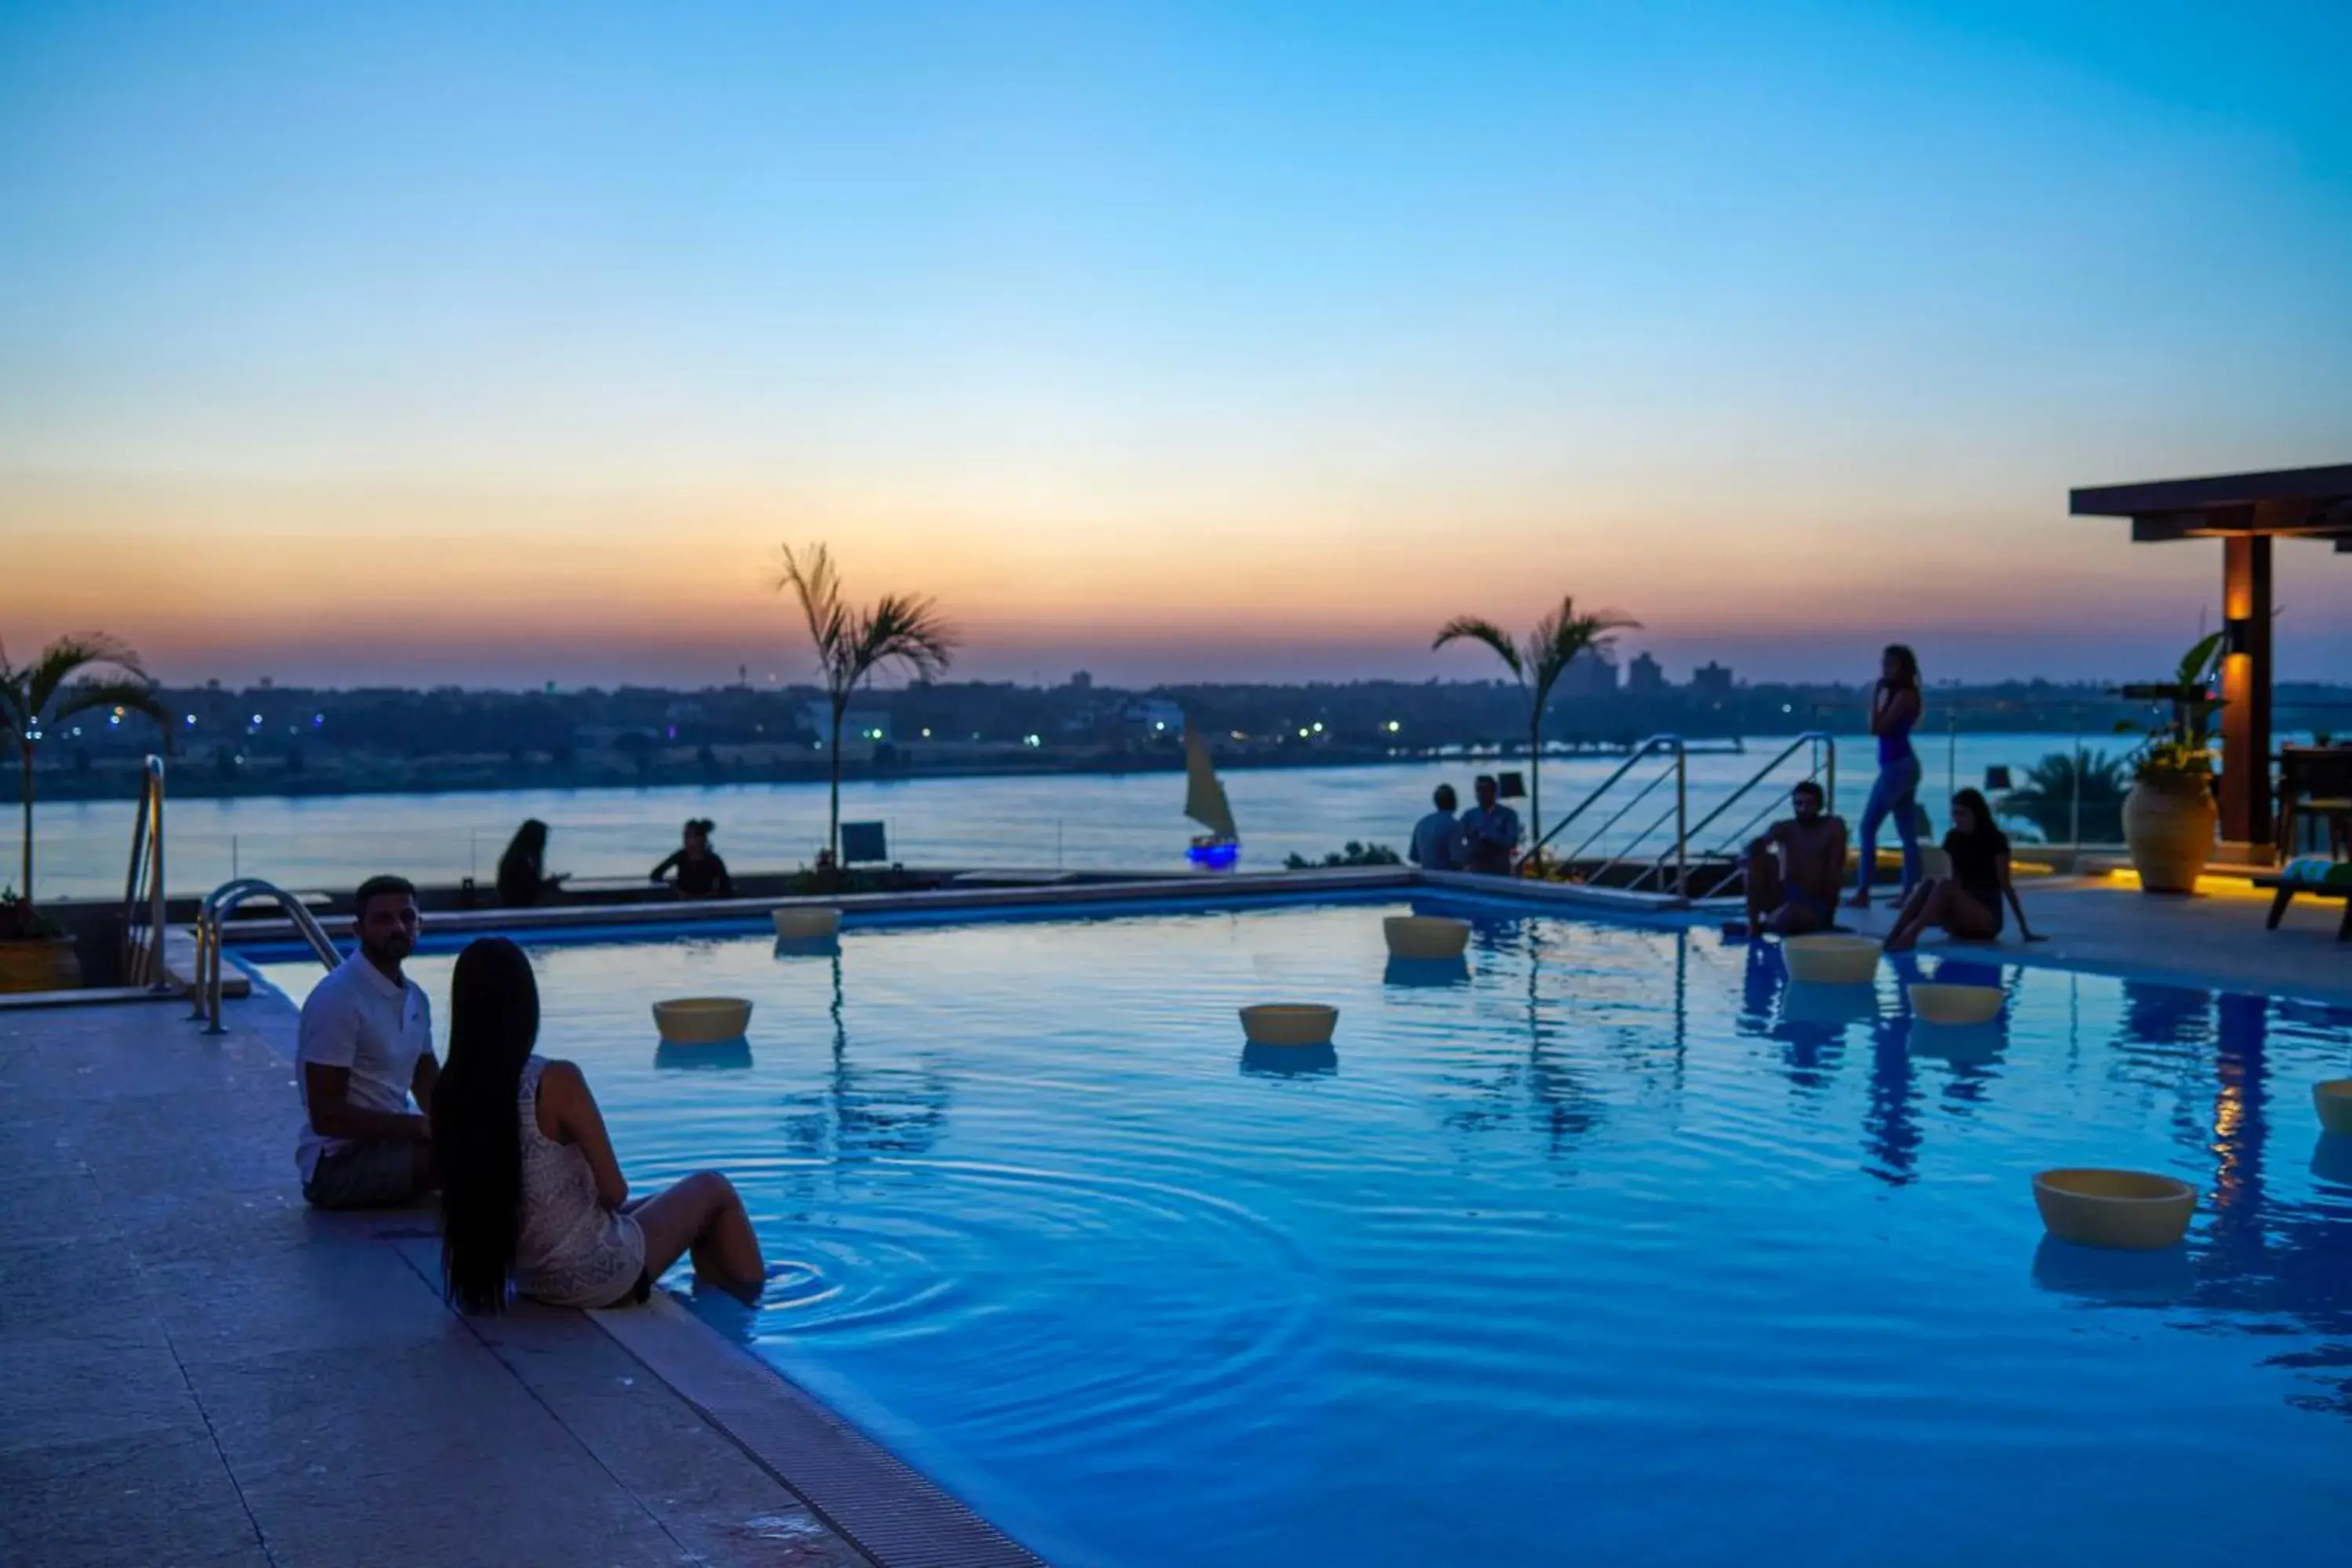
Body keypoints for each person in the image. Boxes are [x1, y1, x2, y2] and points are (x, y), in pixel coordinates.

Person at [433, 936, 768, 1312]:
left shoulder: (450, 1089)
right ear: (525, 1003)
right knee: (713, 1188)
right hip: (593, 1279)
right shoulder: (555, 1080)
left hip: (528, 1278)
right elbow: (614, 1192)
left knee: (668, 1202)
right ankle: (751, 1308)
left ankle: (719, 1295)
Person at [295, 875, 438, 1208]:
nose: (398, 927)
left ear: (419, 924)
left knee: (496, 1146)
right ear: (358, 930)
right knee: (469, 1162)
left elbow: (428, 1083)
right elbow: (327, 1116)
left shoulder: (415, 997)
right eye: (383, 919)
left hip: (393, 1147)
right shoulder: (338, 999)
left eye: (407, 917)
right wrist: (423, 1128)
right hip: (336, 1167)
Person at [1884, 789, 2042, 952]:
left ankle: (1910, 936)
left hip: (1985, 918)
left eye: (1962, 814)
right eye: (1955, 814)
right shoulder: (1954, 838)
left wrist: (2024, 929)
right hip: (1960, 914)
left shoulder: (1995, 839)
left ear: (1976, 814)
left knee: (1945, 885)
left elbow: (2006, 885)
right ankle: (1893, 936)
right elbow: (1956, 878)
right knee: (1928, 884)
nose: (1957, 819)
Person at [1849, 644, 1923, 908]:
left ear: (1903, 668)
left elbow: (1877, 728)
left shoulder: (1903, 695)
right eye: (1884, 663)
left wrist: (1876, 695)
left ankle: (1863, 892)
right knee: (1906, 834)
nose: (1886, 669)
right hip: (1899, 766)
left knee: (1868, 827)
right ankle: (1907, 893)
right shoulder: (1903, 695)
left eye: (1891, 664)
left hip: (1897, 768)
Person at [1740, 780, 1849, 935]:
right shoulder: (1785, 828)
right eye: (1799, 804)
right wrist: (1750, 855)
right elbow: (1758, 845)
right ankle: (1754, 923)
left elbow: (1835, 872)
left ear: (1820, 805)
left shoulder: (1832, 827)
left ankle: (1767, 924)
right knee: (1754, 857)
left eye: (1810, 804)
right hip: (1783, 895)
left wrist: (1829, 912)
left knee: (1790, 915)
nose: (1804, 809)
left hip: (1814, 901)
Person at [649, 817, 735, 898]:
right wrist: (675, 889)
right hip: (683, 905)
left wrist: (710, 896)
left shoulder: (713, 860)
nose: (685, 840)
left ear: (700, 839)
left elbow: (727, 889)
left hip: (707, 905)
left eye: (689, 836)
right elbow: (656, 874)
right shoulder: (681, 856)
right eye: (685, 836)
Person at [1457, 775, 1521, 876]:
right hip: (1475, 870)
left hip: (1499, 870)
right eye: (1478, 790)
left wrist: (1486, 836)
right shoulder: (1469, 815)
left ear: (1494, 792)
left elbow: (1512, 841)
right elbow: (1457, 838)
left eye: (1484, 790)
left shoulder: (1508, 815)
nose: (1480, 794)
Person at [495, 818, 567, 908]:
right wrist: (550, 885)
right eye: (543, 838)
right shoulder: (520, 864)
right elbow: (528, 893)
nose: (544, 843)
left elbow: (531, 887)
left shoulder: (517, 859)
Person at [1409, 785, 1463, 871]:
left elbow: (1414, 858)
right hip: (1449, 879)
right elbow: (1457, 859)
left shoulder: (1422, 823)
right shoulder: (1454, 826)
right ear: (1454, 802)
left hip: (1426, 878)